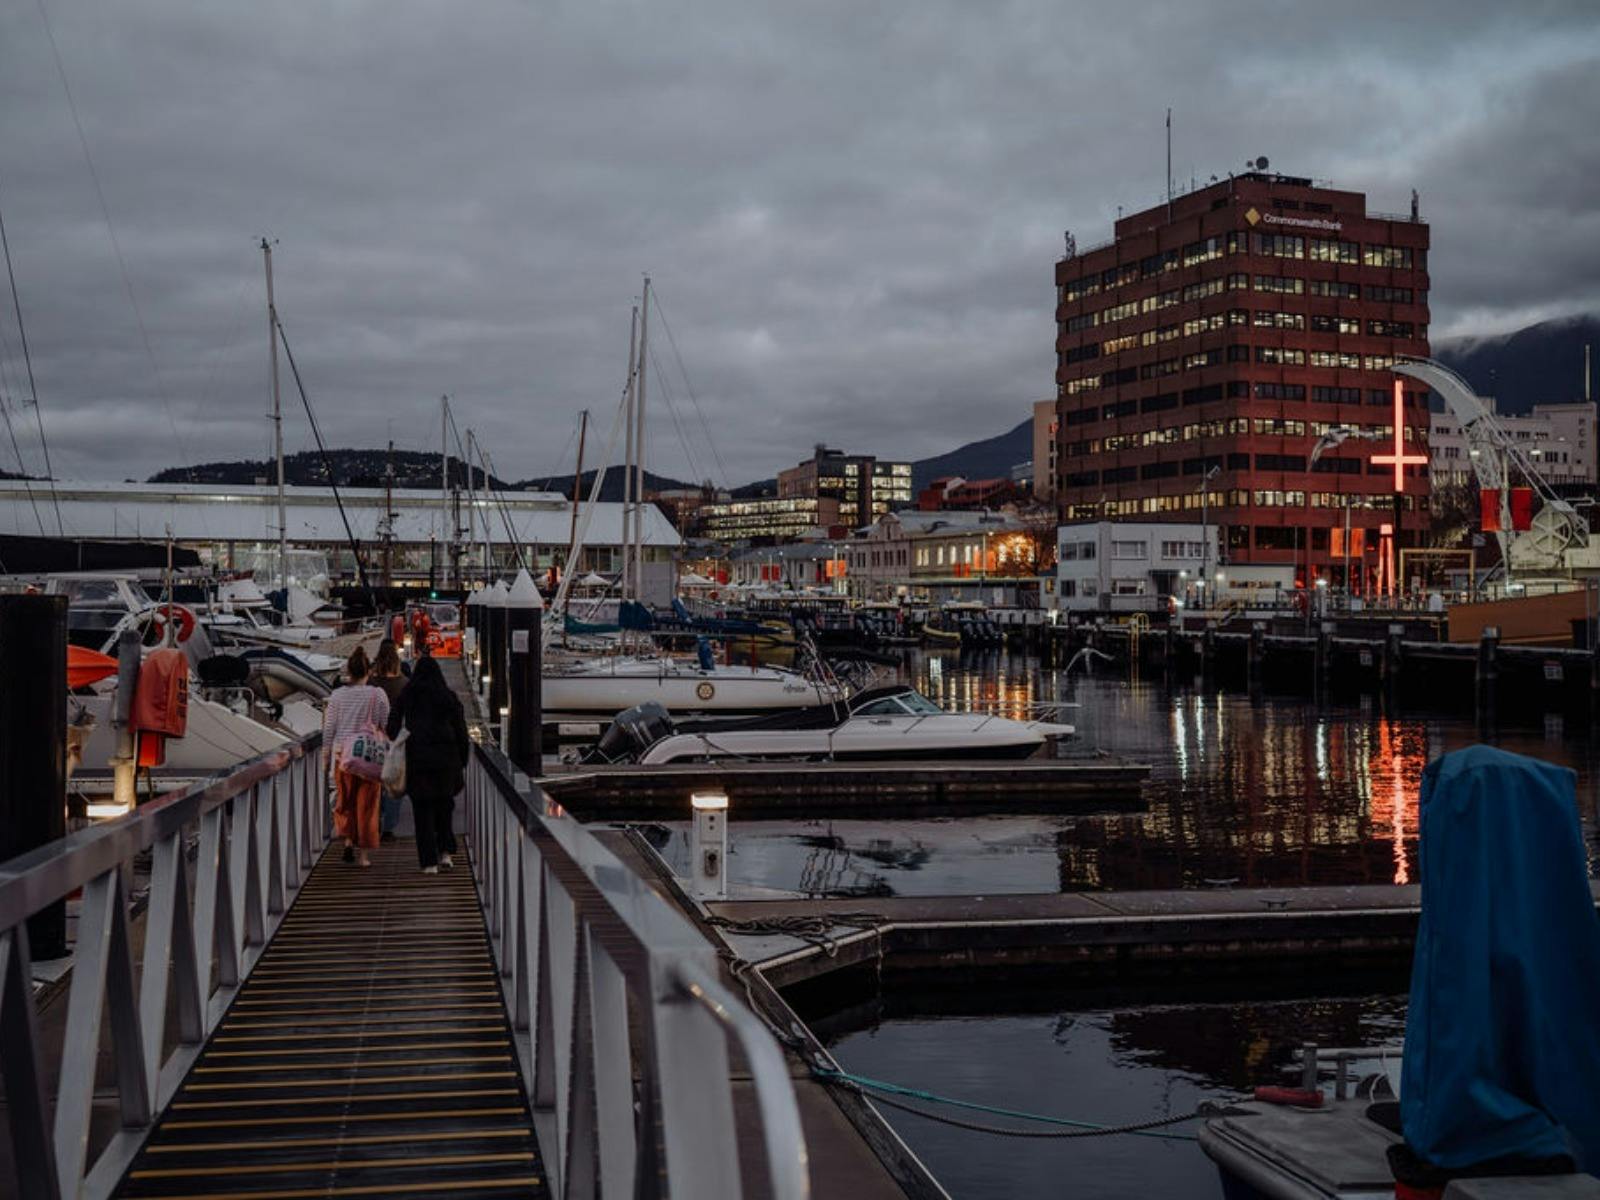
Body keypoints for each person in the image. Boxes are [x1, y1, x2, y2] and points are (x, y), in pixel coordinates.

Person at [386, 653, 469, 875]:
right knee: (444, 807)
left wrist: (397, 737)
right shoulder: (448, 696)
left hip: (418, 759)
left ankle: (428, 862)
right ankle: (446, 853)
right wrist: (463, 758)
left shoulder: (408, 694)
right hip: (446, 759)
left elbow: (392, 725)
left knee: (422, 811)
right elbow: (461, 730)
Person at [321, 646, 390, 868]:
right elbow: (383, 724)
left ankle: (348, 842)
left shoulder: (337, 696)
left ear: (348, 672)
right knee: (368, 806)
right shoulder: (377, 694)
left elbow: (329, 728)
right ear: (368, 672)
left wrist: (325, 755)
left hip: (343, 755)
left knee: (345, 802)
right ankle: (363, 856)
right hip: (368, 755)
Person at [371, 639, 408, 843]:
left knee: (375, 780)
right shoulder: (404, 683)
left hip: (375, 736)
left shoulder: (372, 683)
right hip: (396, 739)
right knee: (394, 782)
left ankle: (375, 818)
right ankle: (389, 826)